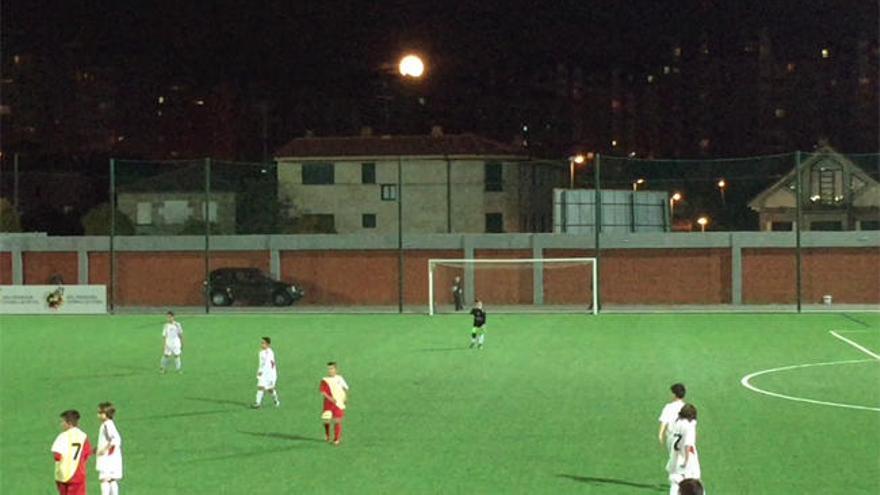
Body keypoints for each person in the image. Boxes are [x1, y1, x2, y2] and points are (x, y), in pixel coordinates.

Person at [51, 409, 91, 495]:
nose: (61, 424)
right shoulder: (83, 436)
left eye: (63, 422)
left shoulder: (62, 436)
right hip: (78, 474)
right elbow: (87, 453)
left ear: (69, 423)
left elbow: (57, 456)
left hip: (63, 475)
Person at [666, 404, 701, 495]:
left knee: (675, 485)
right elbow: (687, 444)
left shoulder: (676, 423)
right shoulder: (689, 426)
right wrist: (686, 460)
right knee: (693, 485)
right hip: (687, 461)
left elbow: (670, 440)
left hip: (674, 459)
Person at [95, 402, 123, 495]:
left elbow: (115, 439)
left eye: (100, 413)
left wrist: (104, 449)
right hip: (113, 457)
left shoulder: (107, 425)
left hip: (107, 458)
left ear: (105, 414)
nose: (98, 415)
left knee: (104, 479)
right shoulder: (110, 424)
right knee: (112, 479)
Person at [320, 362, 349, 445]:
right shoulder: (325, 380)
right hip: (328, 404)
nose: (330, 370)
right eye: (329, 369)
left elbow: (345, 388)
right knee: (326, 420)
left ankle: (336, 439)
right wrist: (330, 399)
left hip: (338, 403)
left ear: (336, 369)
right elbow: (323, 392)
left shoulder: (340, 378)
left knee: (337, 420)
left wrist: (345, 397)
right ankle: (327, 435)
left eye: (332, 368)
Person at [253, 337, 280, 408]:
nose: (261, 344)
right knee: (260, 387)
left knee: (270, 389)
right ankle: (257, 403)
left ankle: (276, 400)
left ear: (268, 344)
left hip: (270, 374)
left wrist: (261, 371)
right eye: (261, 343)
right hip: (263, 374)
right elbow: (261, 364)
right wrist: (259, 371)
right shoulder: (261, 353)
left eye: (263, 343)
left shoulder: (270, 352)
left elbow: (267, 364)